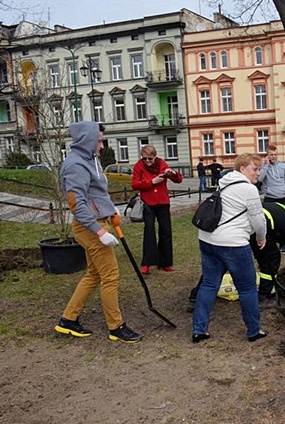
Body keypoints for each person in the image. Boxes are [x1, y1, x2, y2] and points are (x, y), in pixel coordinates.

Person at [54, 121, 141, 343]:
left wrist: (111, 209)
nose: (102, 146)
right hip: (90, 226)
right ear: (87, 140)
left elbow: (97, 193)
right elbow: (77, 203)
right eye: (99, 141)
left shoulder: (90, 160)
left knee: (94, 274)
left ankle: (68, 320)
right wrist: (99, 232)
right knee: (110, 276)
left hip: (100, 221)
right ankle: (116, 326)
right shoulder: (76, 165)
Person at [192, 153, 268, 343]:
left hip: (208, 239)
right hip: (233, 244)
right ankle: (253, 330)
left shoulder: (223, 182)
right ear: (242, 169)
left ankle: (199, 330)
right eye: (254, 169)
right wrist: (261, 237)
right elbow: (258, 220)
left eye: (259, 169)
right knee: (248, 288)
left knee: (209, 285)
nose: (257, 173)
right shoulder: (249, 190)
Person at [132, 145, 183, 275]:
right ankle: (147, 263)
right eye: (145, 159)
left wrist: (173, 173)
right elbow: (135, 184)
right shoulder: (139, 166)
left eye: (150, 158)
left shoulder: (162, 164)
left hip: (163, 202)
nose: (147, 161)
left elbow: (178, 180)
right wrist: (152, 182)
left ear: (155, 157)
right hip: (148, 203)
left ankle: (165, 262)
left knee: (165, 231)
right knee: (149, 230)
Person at [258, 144, 285, 210]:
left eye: (275, 155)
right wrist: (267, 165)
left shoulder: (283, 166)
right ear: (267, 156)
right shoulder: (263, 167)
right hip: (270, 199)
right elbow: (259, 179)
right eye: (271, 155)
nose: (273, 157)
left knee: (284, 219)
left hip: (283, 198)